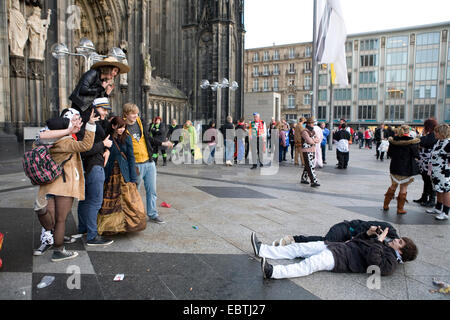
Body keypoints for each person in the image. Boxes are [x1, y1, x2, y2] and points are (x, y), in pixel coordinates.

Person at [34, 109, 97, 261]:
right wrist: (90, 124)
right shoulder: (65, 142)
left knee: (50, 220)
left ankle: (42, 214)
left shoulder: (41, 143)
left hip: (46, 185)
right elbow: (86, 145)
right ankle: (59, 250)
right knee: (61, 220)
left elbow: (41, 135)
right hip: (63, 185)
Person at [251, 226, 418, 280]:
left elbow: (373, 263)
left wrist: (379, 241)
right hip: (336, 246)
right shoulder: (385, 245)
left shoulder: (390, 262)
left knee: (309, 264)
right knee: (299, 248)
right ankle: (263, 249)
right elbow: (356, 242)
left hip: (340, 258)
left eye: (400, 242)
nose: (396, 240)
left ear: (401, 252)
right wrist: (368, 234)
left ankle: (273, 272)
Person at [123, 103, 173, 224]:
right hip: (135, 164)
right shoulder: (122, 126)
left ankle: (153, 214)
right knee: (134, 192)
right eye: (133, 113)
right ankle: (134, 214)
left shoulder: (140, 122)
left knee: (152, 191)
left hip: (149, 163)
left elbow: (148, 138)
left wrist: (163, 143)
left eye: (136, 113)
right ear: (126, 114)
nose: (135, 115)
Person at [97, 116, 147, 235]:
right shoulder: (107, 138)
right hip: (111, 173)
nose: (122, 130)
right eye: (120, 127)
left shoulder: (127, 138)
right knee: (111, 200)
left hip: (124, 173)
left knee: (128, 200)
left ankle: (128, 225)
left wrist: (133, 177)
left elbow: (131, 158)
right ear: (113, 126)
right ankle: (110, 227)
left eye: (123, 127)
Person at [76, 98, 115, 246]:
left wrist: (106, 149)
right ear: (94, 108)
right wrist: (103, 145)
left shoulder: (94, 123)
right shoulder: (87, 124)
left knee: (85, 200)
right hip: (93, 166)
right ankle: (92, 236)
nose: (106, 112)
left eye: (107, 109)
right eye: (103, 109)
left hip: (91, 166)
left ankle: (83, 230)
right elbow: (84, 150)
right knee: (94, 202)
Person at [270, 219, 400, 246]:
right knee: (326, 242)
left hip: (349, 243)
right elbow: (363, 225)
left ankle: (295, 244)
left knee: (326, 247)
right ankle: (294, 239)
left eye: (399, 243)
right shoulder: (389, 229)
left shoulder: (386, 247)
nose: (396, 241)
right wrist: (365, 234)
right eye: (400, 239)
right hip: (346, 228)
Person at [383, 125, 420, 214]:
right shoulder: (412, 142)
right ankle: (400, 209)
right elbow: (416, 155)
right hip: (407, 167)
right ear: (409, 131)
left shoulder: (393, 140)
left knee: (393, 185)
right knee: (404, 187)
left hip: (395, 166)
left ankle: (385, 205)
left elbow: (390, 153)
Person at [427, 124, 450, 221]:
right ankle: (438, 207)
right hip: (435, 171)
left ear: (442, 133)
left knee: (445, 190)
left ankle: (445, 212)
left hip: (443, 171)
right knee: (438, 189)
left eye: (436, 132)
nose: (435, 133)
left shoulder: (448, 143)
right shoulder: (439, 142)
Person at [414, 119, 438, 207]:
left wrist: (422, 138)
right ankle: (424, 196)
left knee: (429, 179)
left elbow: (423, 142)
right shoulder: (429, 134)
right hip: (424, 161)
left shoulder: (433, 135)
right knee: (425, 179)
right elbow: (419, 142)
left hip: (429, 161)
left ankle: (432, 199)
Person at [300, 118, 320, 187]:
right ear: (308, 124)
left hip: (312, 149)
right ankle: (313, 181)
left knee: (307, 165)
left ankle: (303, 178)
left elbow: (318, 139)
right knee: (310, 166)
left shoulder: (313, 131)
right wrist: (313, 140)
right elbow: (309, 141)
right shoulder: (304, 132)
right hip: (306, 150)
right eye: (312, 123)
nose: (313, 125)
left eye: (313, 123)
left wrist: (313, 140)